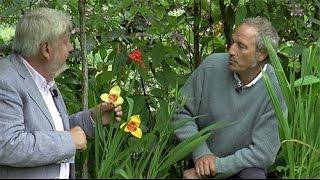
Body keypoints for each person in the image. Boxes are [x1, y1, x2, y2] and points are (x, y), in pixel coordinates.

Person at [0, 7, 123, 179]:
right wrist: (68, 141)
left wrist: (92, 119)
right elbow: (7, 145)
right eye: (66, 41)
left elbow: (50, 129)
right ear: (46, 49)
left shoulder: (43, 78)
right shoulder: (5, 80)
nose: (71, 47)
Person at [173, 17, 287, 179]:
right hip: (201, 159)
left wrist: (216, 166)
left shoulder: (275, 89)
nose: (231, 51)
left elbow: (264, 153)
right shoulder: (211, 67)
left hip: (243, 168)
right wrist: (201, 154)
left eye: (241, 46)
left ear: (261, 55)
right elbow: (179, 113)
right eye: (233, 42)